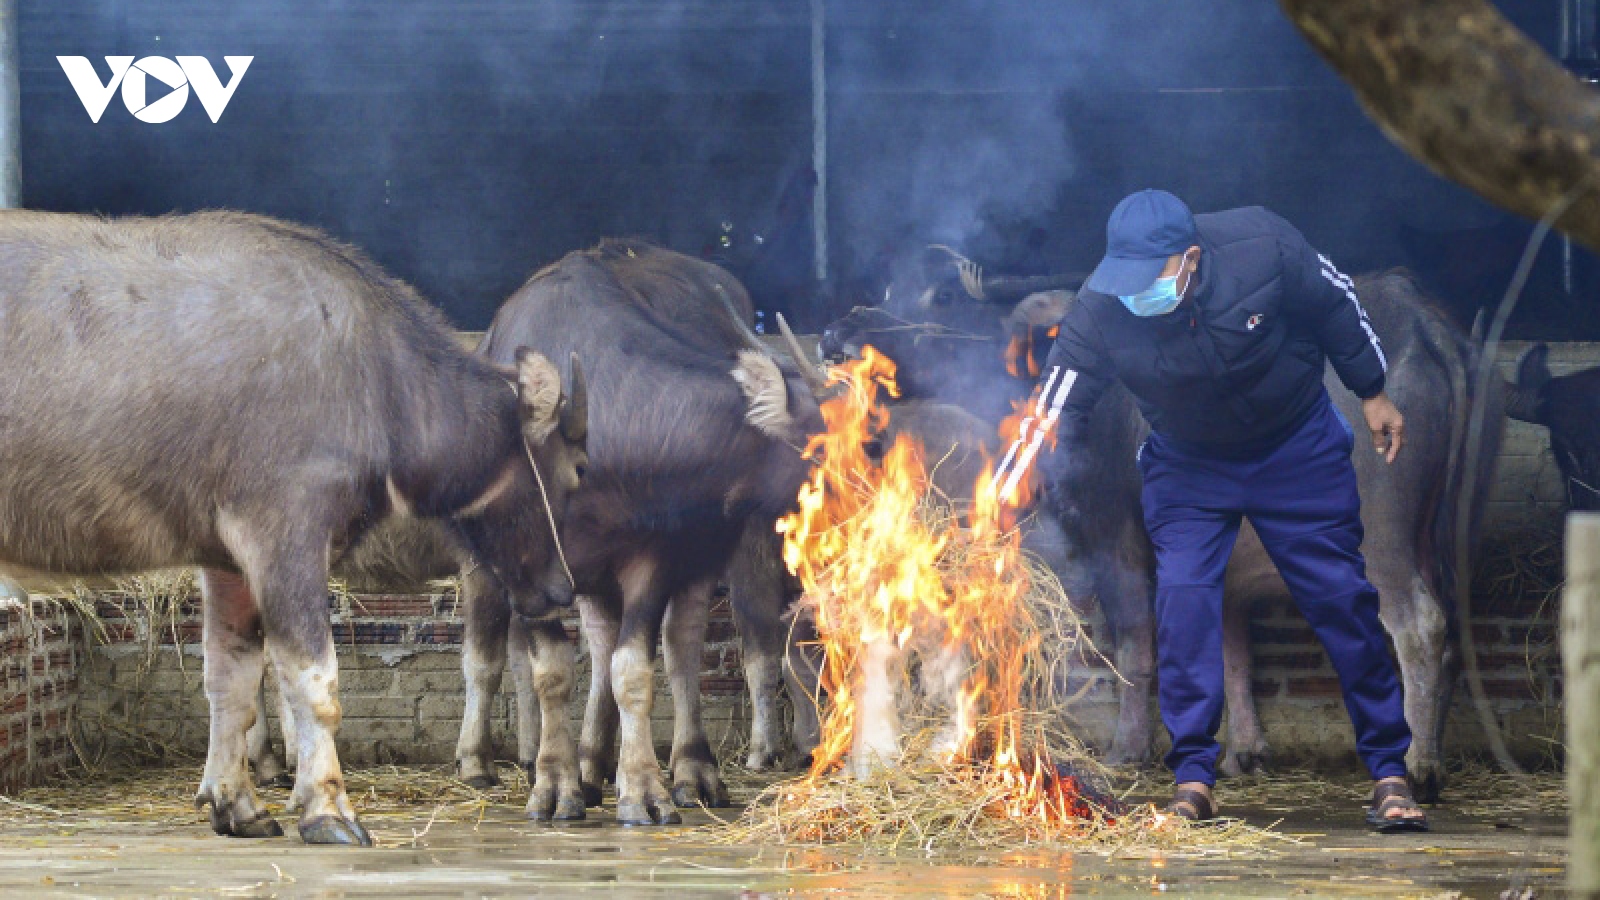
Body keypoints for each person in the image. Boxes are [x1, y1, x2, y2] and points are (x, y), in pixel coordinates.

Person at [995, 189, 1428, 832]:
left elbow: (1334, 301)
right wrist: (1006, 485)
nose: (1133, 292)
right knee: (1184, 601)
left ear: (1189, 259)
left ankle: (1390, 771)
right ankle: (1194, 777)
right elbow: (1053, 400)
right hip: (1189, 461)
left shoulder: (1263, 246)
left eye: (1149, 278)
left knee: (1342, 599)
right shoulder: (1102, 305)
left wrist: (1371, 391)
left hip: (1294, 447)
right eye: (1124, 279)